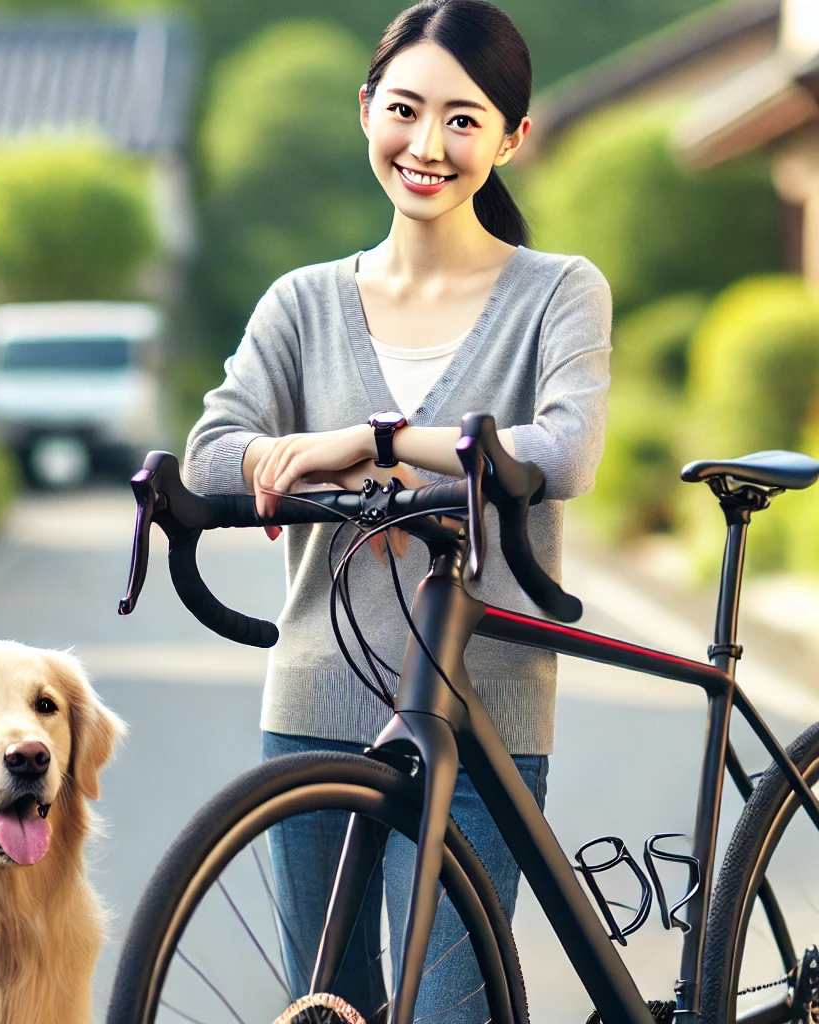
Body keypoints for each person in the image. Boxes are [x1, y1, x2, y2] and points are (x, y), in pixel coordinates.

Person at [183, 0, 611, 1016]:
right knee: (325, 1007)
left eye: (463, 120)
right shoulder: (301, 303)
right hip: (316, 703)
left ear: (511, 138)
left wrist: (373, 441)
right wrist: (310, 461)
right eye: (406, 110)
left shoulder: (558, 292)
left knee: (452, 1010)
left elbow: (563, 452)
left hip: (482, 706)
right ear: (366, 109)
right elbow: (210, 455)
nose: (426, 145)